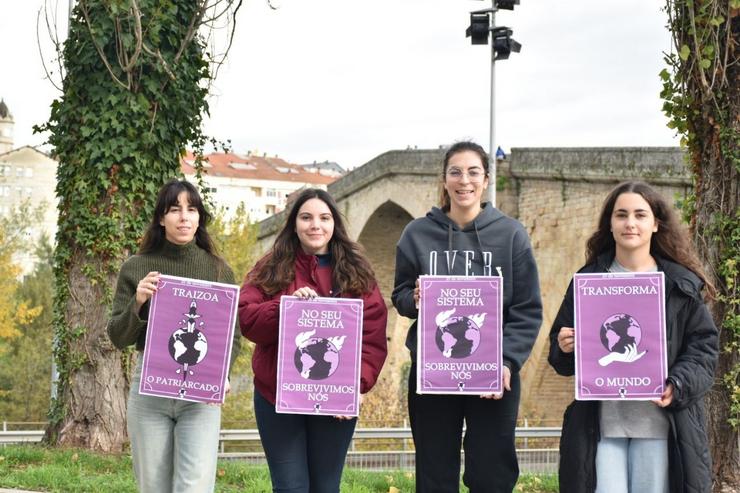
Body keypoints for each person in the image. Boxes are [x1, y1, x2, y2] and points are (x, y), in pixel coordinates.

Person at [548, 181, 718, 493]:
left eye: (640, 215)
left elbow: (703, 350)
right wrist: (564, 346)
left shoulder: (680, 285)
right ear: (610, 225)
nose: (630, 223)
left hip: (660, 425)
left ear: (655, 224)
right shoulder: (587, 281)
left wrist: (677, 383)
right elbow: (559, 356)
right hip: (600, 426)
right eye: (621, 215)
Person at [392, 141, 543, 492]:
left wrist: (506, 362)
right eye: (455, 172)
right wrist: (414, 300)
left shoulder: (511, 235)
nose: (465, 180)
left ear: (486, 179)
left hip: (494, 375)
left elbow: (527, 308)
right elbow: (399, 295)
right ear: (444, 180)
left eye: (473, 172)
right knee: (434, 471)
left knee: (492, 473)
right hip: (434, 372)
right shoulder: (416, 234)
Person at [239, 188, 388, 493]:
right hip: (277, 398)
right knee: (290, 487)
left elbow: (372, 335)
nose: (315, 225)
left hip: (335, 398)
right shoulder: (271, 266)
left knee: (325, 487)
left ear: (335, 224)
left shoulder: (357, 271)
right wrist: (285, 307)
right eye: (306, 218)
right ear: (294, 223)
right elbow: (247, 321)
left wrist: (357, 383)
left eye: (324, 218)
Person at [107, 179, 240, 493]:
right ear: (160, 218)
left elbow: (232, 335)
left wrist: (224, 373)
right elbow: (117, 336)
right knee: (153, 486)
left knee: (194, 486)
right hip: (150, 391)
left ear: (199, 217)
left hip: (201, 392)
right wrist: (138, 303)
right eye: (175, 209)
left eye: (191, 209)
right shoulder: (136, 267)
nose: (184, 217)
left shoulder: (220, 270)